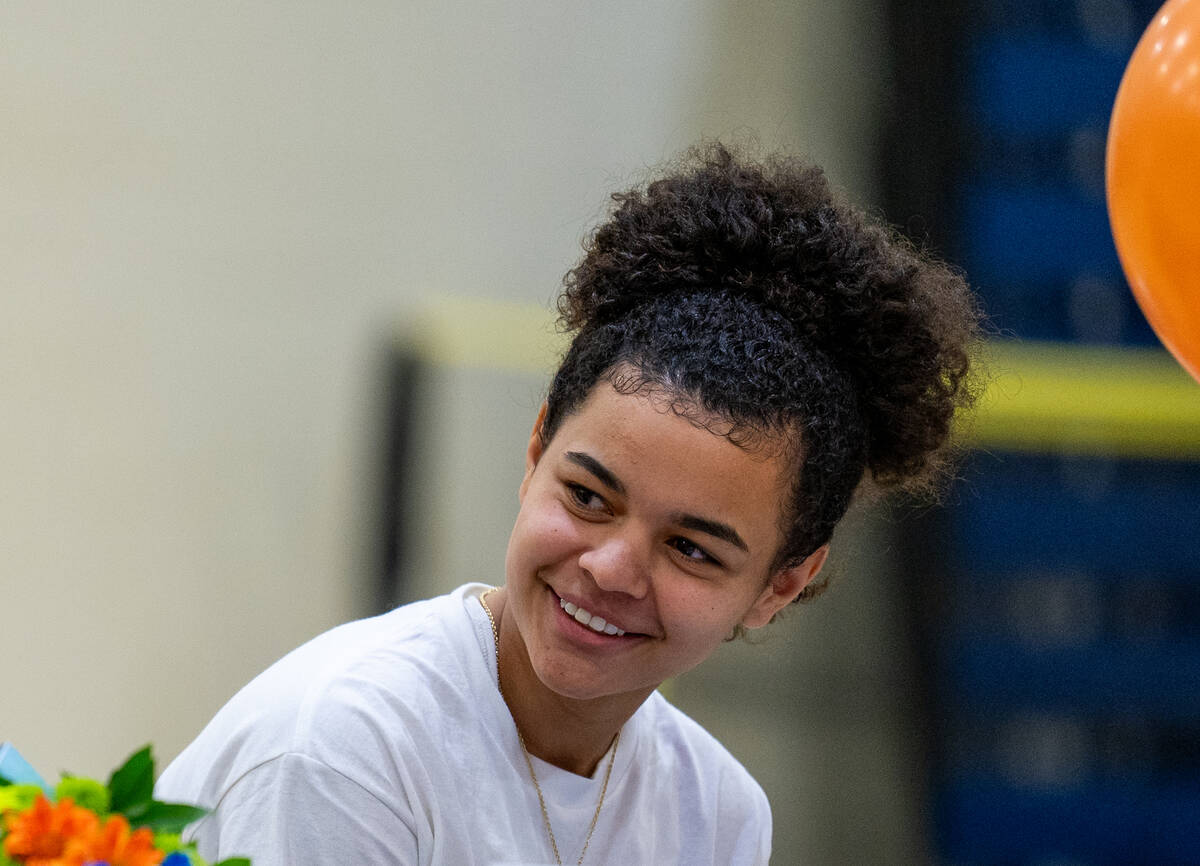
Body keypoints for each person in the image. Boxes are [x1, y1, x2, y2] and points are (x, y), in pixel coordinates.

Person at [155, 143, 981, 865]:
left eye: (692, 549)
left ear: (781, 585)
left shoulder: (717, 815)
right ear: (536, 450)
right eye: (588, 497)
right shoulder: (343, 748)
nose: (612, 568)